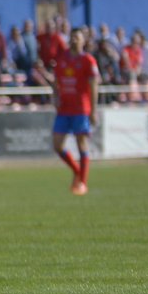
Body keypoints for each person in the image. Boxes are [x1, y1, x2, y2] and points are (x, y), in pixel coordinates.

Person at [51, 28, 99, 196]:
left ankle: (83, 183)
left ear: (83, 41)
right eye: (72, 37)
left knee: (81, 144)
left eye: (77, 38)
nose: (74, 40)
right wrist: (55, 97)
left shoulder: (88, 60)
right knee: (57, 145)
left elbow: (94, 86)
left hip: (81, 109)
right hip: (64, 109)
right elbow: (55, 82)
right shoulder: (62, 59)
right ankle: (77, 171)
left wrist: (93, 110)